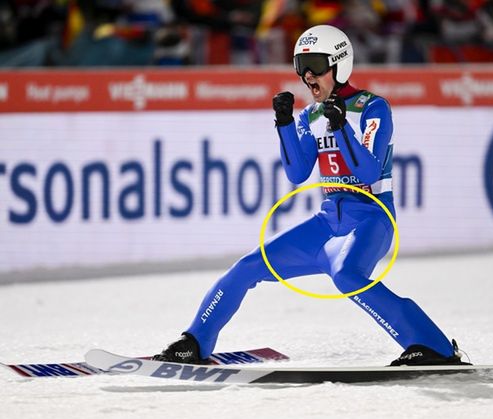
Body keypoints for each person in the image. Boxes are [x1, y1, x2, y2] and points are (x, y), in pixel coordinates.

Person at [153, 24, 469, 366]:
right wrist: (286, 124)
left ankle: (432, 345)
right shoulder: (311, 115)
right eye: (300, 66)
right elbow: (297, 172)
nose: (307, 76)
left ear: (340, 64)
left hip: (370, 219)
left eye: (315, 65)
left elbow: (368, 173)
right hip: (327, 221)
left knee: (348, 276)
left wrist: (341, 125)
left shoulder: (373, 108)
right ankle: (195, 342)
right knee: (246, 268)